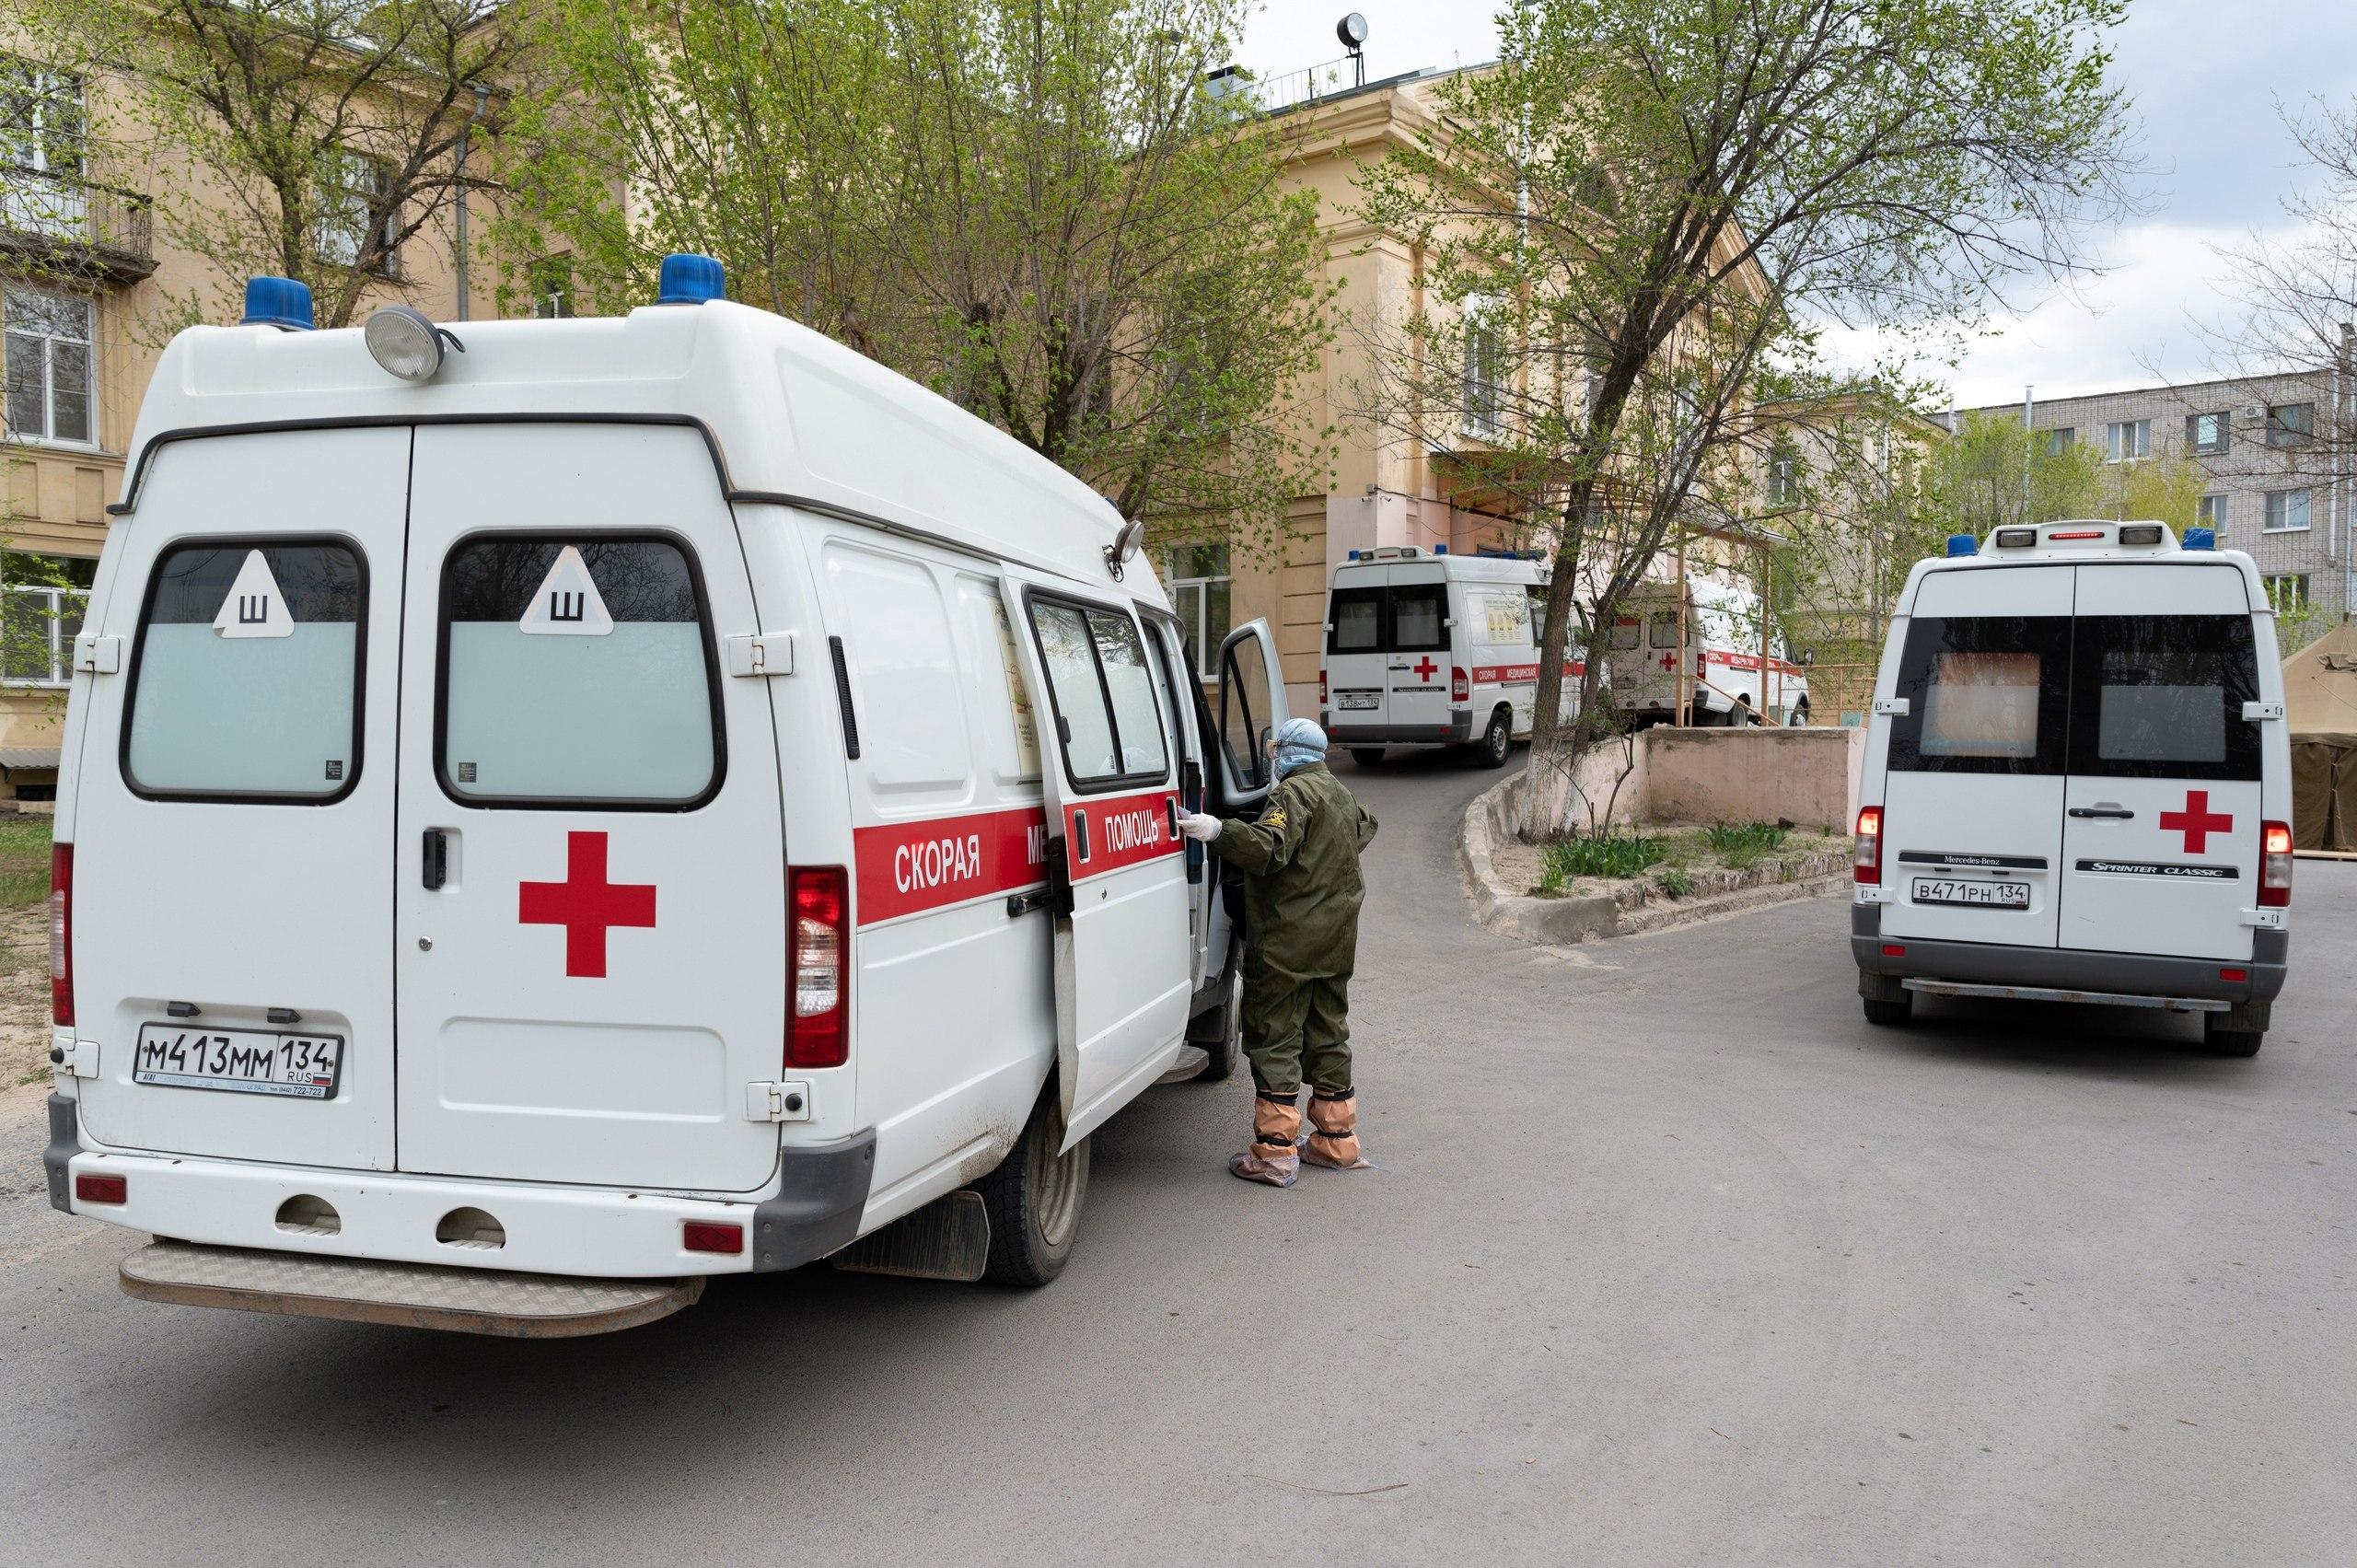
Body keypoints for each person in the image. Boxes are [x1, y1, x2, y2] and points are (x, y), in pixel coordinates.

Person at [1176, 717, 1379, 1188]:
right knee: (1328, 1032)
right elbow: (1366, 826)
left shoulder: (1292, 796)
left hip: (1289, 944)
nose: (1272, 758)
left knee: (1274, 1035)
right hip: (1336, 942)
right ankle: (1336, 1140)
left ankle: (1273, 1153)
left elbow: (1268, 847)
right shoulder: (1340, 794)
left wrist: (1215, 830)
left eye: (1275, 749)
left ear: (1288, 751)